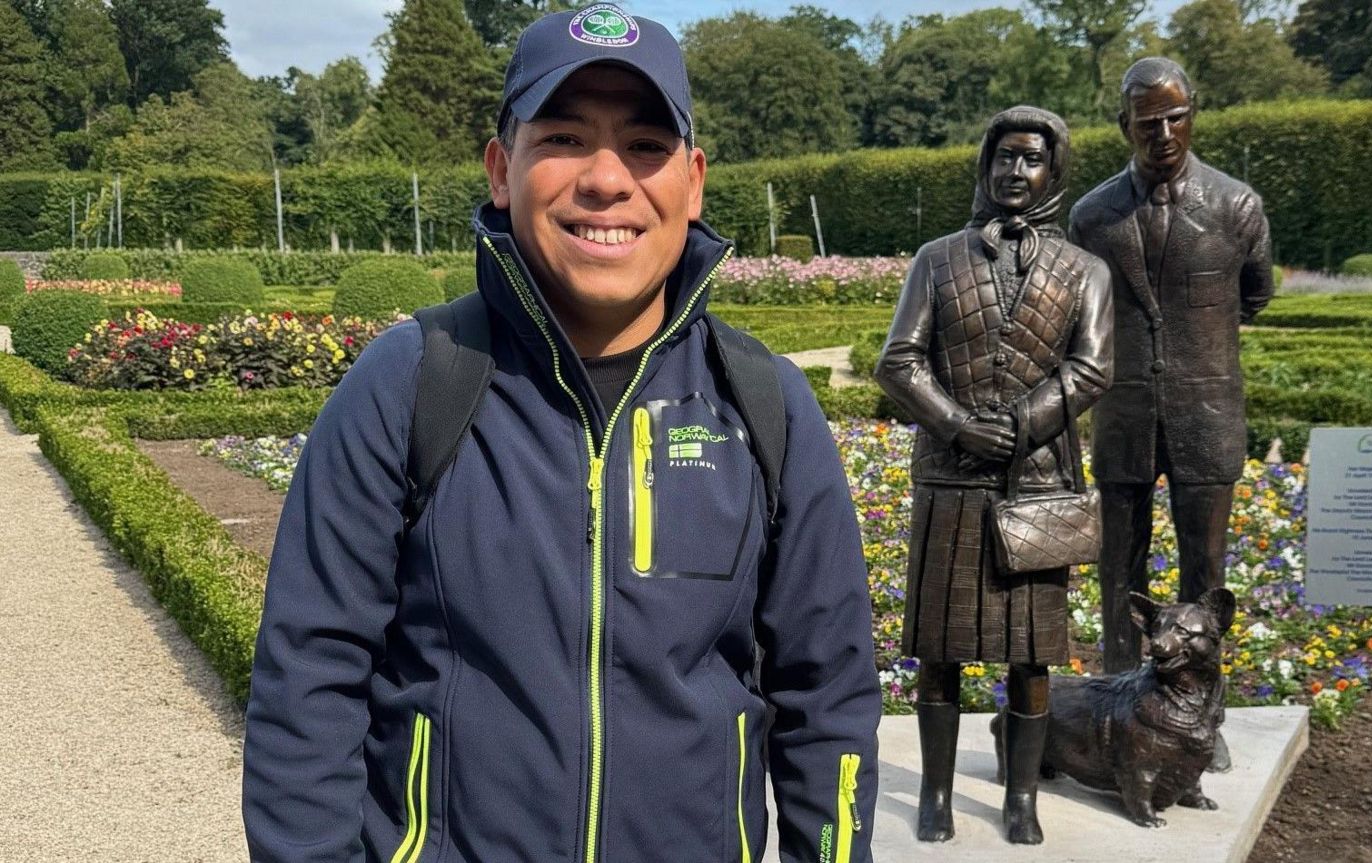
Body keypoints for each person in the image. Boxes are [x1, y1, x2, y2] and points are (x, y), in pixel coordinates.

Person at [241, 6, 881, 862]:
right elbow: (307, 681)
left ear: (692, 183)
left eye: (646, 146)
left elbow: (827, 697)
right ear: (503, 169)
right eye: (566, 138)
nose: (607, 180)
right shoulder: (410, 382)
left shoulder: (764, 404)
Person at [875, 105, 1112, 845]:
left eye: (1032, 159)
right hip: (949, 480)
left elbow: (1094, 365)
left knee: (1031, 652)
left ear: (1054, 170)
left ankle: (1020, 799)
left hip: (1035, 484)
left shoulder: (1085, 270)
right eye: (1005, 157)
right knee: (940, 648)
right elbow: (898, 360)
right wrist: (952, 423)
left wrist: (1022, 424)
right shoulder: (936, 258)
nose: (1016, 171)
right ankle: (936, 796)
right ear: (986, 166)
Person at [1068, 57, 1273, 768]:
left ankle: (1200, 723)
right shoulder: (1092, 216)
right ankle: (1125, 705)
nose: (1163, 133)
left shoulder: (1237, 205)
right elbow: (1080, 316)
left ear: (1193, 114)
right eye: (1147, 120)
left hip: (1206, 412)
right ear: (1122, 124)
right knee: (1118, 572)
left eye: (1175, 116)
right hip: (1123, 414)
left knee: (1203, 572)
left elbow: (1256, 294)